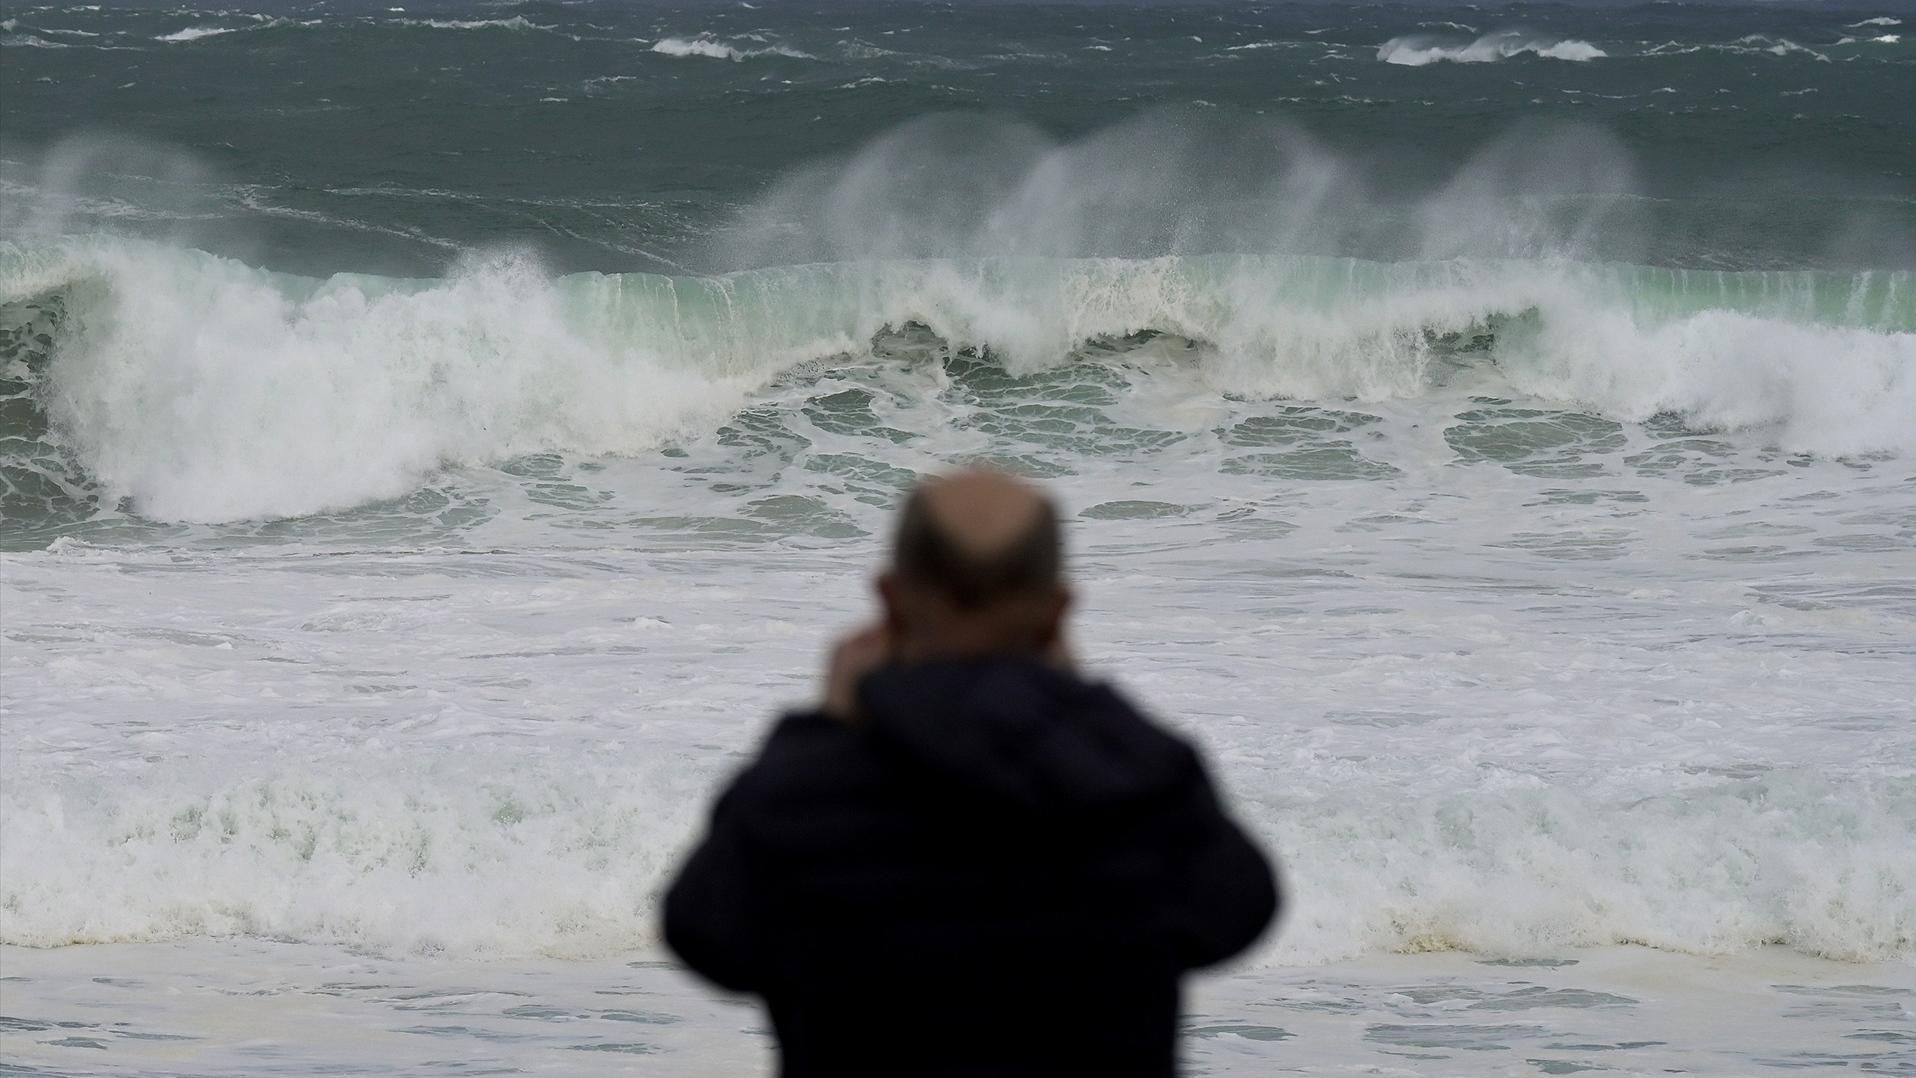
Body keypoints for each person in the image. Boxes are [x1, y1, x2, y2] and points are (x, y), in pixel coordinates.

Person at [662, 469, 1281, 1078]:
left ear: (891, 600)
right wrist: (1081, 708)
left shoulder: (804, 793)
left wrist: (826, 726)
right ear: (1057, 610)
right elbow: (1239, 914)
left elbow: (706, 935)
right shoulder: (1138, 781)